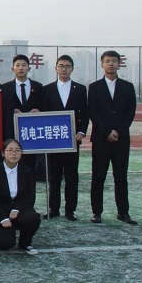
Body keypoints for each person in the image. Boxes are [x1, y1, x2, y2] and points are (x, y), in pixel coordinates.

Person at [88, 50, 137, 225]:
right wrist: (106, 132)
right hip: (101, 140)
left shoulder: (128, 87)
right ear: (102, 64)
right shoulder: (94, 87)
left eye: (114, 61)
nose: (110, 64)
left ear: (119, 64)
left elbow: (130, 113)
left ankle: (123, 213)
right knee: (98, 177)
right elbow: (92, 112)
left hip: (121, 139)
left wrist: (118, 131)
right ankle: (96, 212)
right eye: (107, 61)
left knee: (121, 177)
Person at [41, 55, 88, 221]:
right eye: (61, 66)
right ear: (56, 68)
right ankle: (53, 209)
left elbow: (85, 114)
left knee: (71, 177)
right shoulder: (47, 89)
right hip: (53, 141)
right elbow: (43, 114)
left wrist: (81, 132)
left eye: (67, 66)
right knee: (54, 177)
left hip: (72, 141)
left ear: (72, 69)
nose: (64, 69)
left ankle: (70, 210)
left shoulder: (80, 89)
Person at [0, 139, 41, 255]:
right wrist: (3, 218)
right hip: (1, 212)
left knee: (33, 218)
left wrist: (17, 208)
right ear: (3, 153)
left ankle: (25, 243)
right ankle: (6, 231)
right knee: (5, 244)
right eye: (10, 150)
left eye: (17, 150)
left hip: (19, 210)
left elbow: (30, 196)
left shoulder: (27, 171)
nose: (14, 153)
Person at [1, 54, 44, 174]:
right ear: (12, 69)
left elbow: (43, 107)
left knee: (30, 168)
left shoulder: (38, 87)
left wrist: (37, 112)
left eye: (24, 65)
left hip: (32, 134)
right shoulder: (5, 88)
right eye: (18, 65)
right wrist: (14, 113)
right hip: (12, 134)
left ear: (29, 68)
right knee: (12, 166)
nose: (21, 68)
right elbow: (3, 111)